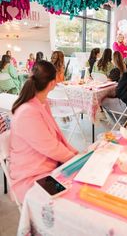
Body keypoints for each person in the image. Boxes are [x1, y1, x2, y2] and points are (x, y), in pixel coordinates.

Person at [9, 61, 78, 203]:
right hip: (32, 176)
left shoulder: (42, 102)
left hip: (49, 165)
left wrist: (77, 155)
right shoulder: (27, 112)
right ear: (52, 83)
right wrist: (75, 160)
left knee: (82, 183)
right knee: (71, 198)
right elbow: (51, 147)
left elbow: (56, 138)